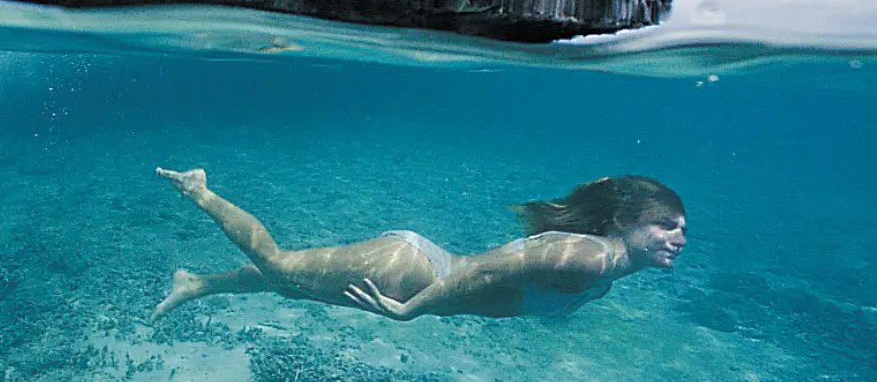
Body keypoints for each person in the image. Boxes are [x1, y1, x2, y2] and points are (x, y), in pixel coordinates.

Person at [149, 168, 687, 322]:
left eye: (682, 228)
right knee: (282, 267)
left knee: (295, 287)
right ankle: (202, 190)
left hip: (417, 271)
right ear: (623, 221)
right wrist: (412, 310)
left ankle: (197, 284)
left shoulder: (603, 278)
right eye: (666, 224)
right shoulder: (593, 260)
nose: (679, 237)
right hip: (414, 274)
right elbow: (488, 272)